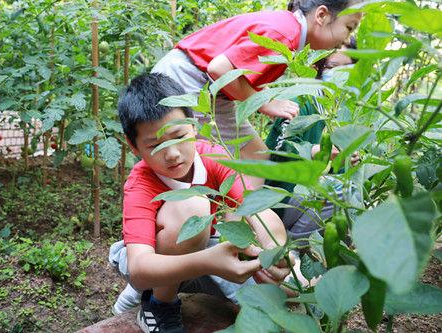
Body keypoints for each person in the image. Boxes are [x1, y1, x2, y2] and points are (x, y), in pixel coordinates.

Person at [109, 73, 289, 333]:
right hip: (165, 258)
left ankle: (141, 296)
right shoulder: (141, 183)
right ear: (134, 146)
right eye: (155, 145)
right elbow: (139, 267)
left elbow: (256, 208)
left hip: (209, 250)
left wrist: (273, 250)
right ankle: (159, 304)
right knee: (191, 207)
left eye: (178, 136)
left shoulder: (213, 156)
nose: (172, 153)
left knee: (288, 288)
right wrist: (208, 261)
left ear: (194, 125)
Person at [152, 0, 363, 188]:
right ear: (322, 15)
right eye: (348, 27)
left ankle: (236, 221)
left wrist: (266, 97)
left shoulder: (288, 30)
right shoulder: (284, 33)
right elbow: (219, 68)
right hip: (187, 81)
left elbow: (236, 73)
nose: (347, 39)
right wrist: (265, 103)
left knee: (255, 158)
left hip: (211, 88)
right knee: (195, 164)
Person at [265, 43, 359, 240]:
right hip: (277, 195)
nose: (340, 74)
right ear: (317, 67)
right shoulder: (301, 99)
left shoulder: (341, 111)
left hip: (303, 196)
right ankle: (290, 245)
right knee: (343, 189)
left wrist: (345, 160)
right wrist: (314, 150)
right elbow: (277, 149)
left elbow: (337, 172)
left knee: (353, 192)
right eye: (333, 67)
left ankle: (297, 243)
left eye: (347, 68)